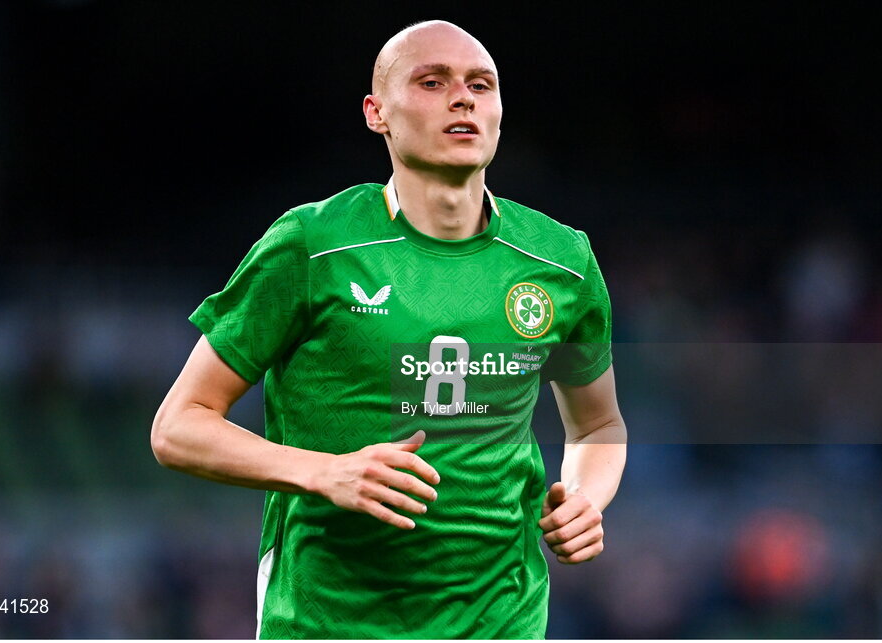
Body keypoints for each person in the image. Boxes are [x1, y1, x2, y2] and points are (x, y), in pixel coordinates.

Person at [151, 19, 627, 639]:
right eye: (433, 82)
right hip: (326, 620)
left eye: (481, 85)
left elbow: (597, 426)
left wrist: (584, 497)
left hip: (503, 620)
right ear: (377, 113)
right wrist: (322, 471)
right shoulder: (314, 245)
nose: (463, 99)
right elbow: (178, 427)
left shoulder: (561, 260)